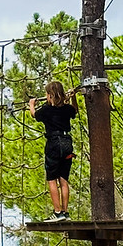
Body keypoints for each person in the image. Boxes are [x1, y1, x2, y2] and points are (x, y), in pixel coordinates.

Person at [29, 81, 78, 222]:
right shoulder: (67, 108)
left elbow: (34, 115)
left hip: (54, 144)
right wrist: (73, 97)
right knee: (63, 179)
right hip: (67, 142)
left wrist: (31, 105)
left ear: (49, 96)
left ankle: (57, 212)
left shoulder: (46, 110)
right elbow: (75, 110)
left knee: (52, 179)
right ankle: (65, 212)